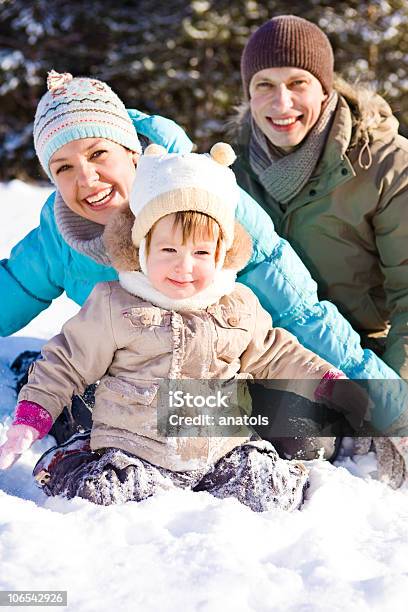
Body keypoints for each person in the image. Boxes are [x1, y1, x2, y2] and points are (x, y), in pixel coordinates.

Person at [0, 143, 372, 510]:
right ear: (142, 249)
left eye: (200, 253)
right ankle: (72, 456)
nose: (184, 267)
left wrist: (327, 381)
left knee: (272, 490)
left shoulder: (237, 305)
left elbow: (276, 352)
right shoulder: (115, 304)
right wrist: (32, 417)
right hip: (135, 449)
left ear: (222, 254)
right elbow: (65, 362)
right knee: (104, 492)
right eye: (168, 251)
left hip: (220, 451)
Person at [231, 14, 408, 482]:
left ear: (325, 89)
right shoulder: (230, 166)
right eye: (264, 85)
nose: (281, 102)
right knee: (184, 409)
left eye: (297, 83)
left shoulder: (388, 166)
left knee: (309, 437)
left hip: (360, 355)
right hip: (267, 353)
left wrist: (394, 397)